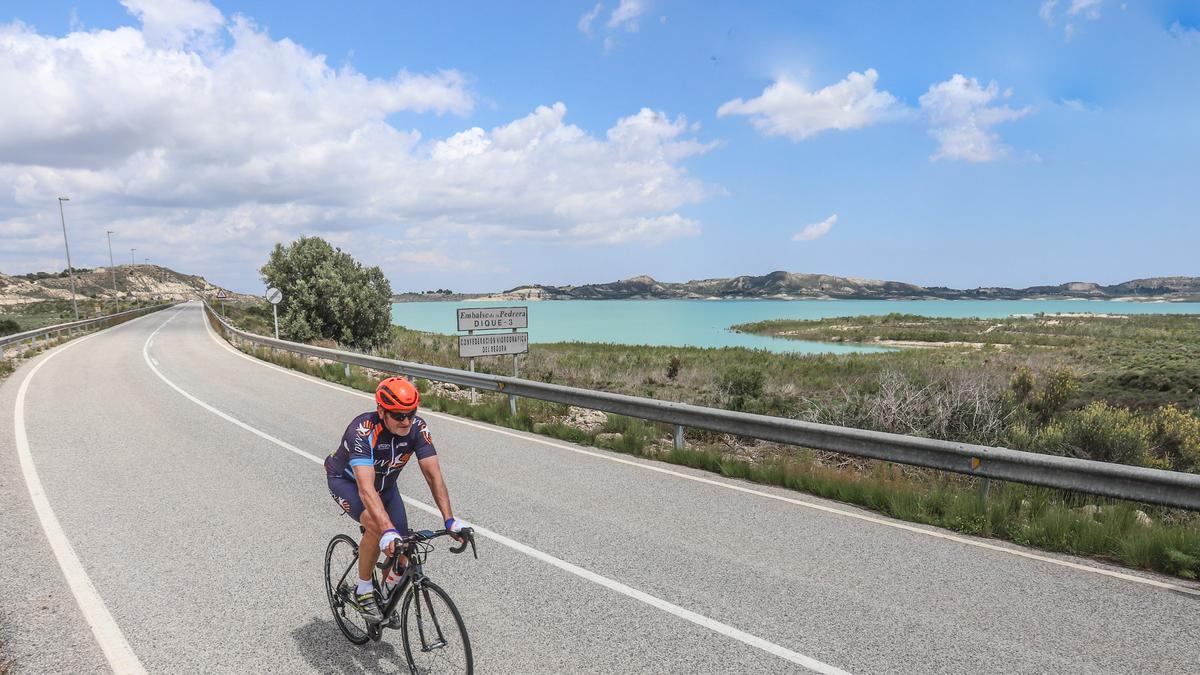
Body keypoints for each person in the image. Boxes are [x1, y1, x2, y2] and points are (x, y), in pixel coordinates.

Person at [325, 376, 466, 626]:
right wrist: (387, 530)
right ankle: (363, 589)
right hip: (348, 483)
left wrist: (450, 520)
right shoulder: (362, 430)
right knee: (378, 526)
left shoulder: (417, 428)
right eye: (399, 415)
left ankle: (385, 598)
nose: (407, 421)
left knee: (405, 547)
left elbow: (434, 477)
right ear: (381, 410)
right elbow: (366, 490)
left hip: (387, 488)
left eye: (411, 414)